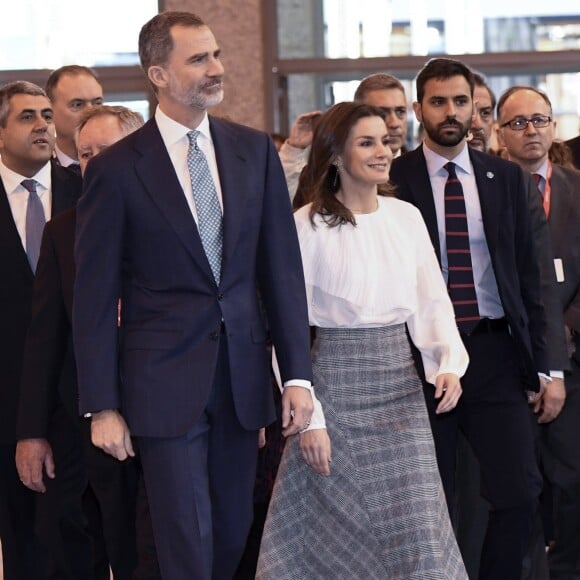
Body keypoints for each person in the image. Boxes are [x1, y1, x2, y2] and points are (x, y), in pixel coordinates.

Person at [72, 11, 313, 580]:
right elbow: (93, 296)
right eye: (198, 59)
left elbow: (282, 271)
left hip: (241, 379)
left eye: (216, 55)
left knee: (231, 533)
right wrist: (102, 404)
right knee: (185, 539)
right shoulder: (116, 170)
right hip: (159, 385)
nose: (216, 69)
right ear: (158, 73)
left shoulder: (252, 151)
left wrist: (298, 375)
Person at [257, 101, 469, 579]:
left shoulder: (406, 217)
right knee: (334, 538)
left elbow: (431, 299)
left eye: (387, 140)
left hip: (401, 395)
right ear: (334, 154)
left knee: (419, 529)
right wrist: (311, 421)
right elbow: (286, 331)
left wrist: (447, 364)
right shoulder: (306, 225)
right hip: (333, 389)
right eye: (367, 142)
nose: (384, 151)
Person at [389, 58, 555, 580]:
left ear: (475, 107)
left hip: (494, 353)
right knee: (428, 499)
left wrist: (550, 369)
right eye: (438, 102)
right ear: (419, 110)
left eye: (460, 101)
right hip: (418, 359)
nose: (451, 112)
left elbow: (534, 280)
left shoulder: (506, 179)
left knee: (520, 491)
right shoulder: (393, 178)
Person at [15, 105, 156, 580]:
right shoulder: (64, 230)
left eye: (106, 151)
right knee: (114, 545)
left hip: (173, 412)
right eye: (85, 153)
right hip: (95, 424)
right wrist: (31, 432)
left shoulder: (181, 218)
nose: (94, 163)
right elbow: (45, 340)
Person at [497, 85, 580, 580]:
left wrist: (564, 330)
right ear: (499, 133)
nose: (532, 130)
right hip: (511, 359)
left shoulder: (577, 187)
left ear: (553, 125)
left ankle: (568, 569)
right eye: (519, 123)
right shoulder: (489, 189)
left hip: (574, 357)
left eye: (540, 120)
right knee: (517, 481)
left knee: (571, 477)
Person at [0, 80, 81, 579]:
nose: (43, 126)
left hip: (76, 400)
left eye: (48, 115)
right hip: (4, 402)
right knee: (22, 545)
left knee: (79, 539)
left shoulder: (85, 191)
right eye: (28, 116)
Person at [279, 72, 409, 199]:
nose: (395, 123)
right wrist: (294, 149)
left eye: (400, 112)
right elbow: (284, 201)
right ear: (357, 113)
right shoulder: (333, 172)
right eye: (382, 112)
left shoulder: (421, 170)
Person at [45, 65, 104, 173]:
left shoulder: (121, 161)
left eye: (97, 103)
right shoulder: (38, 169)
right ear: (50, 112)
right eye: (77, 104)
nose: (91, 113)